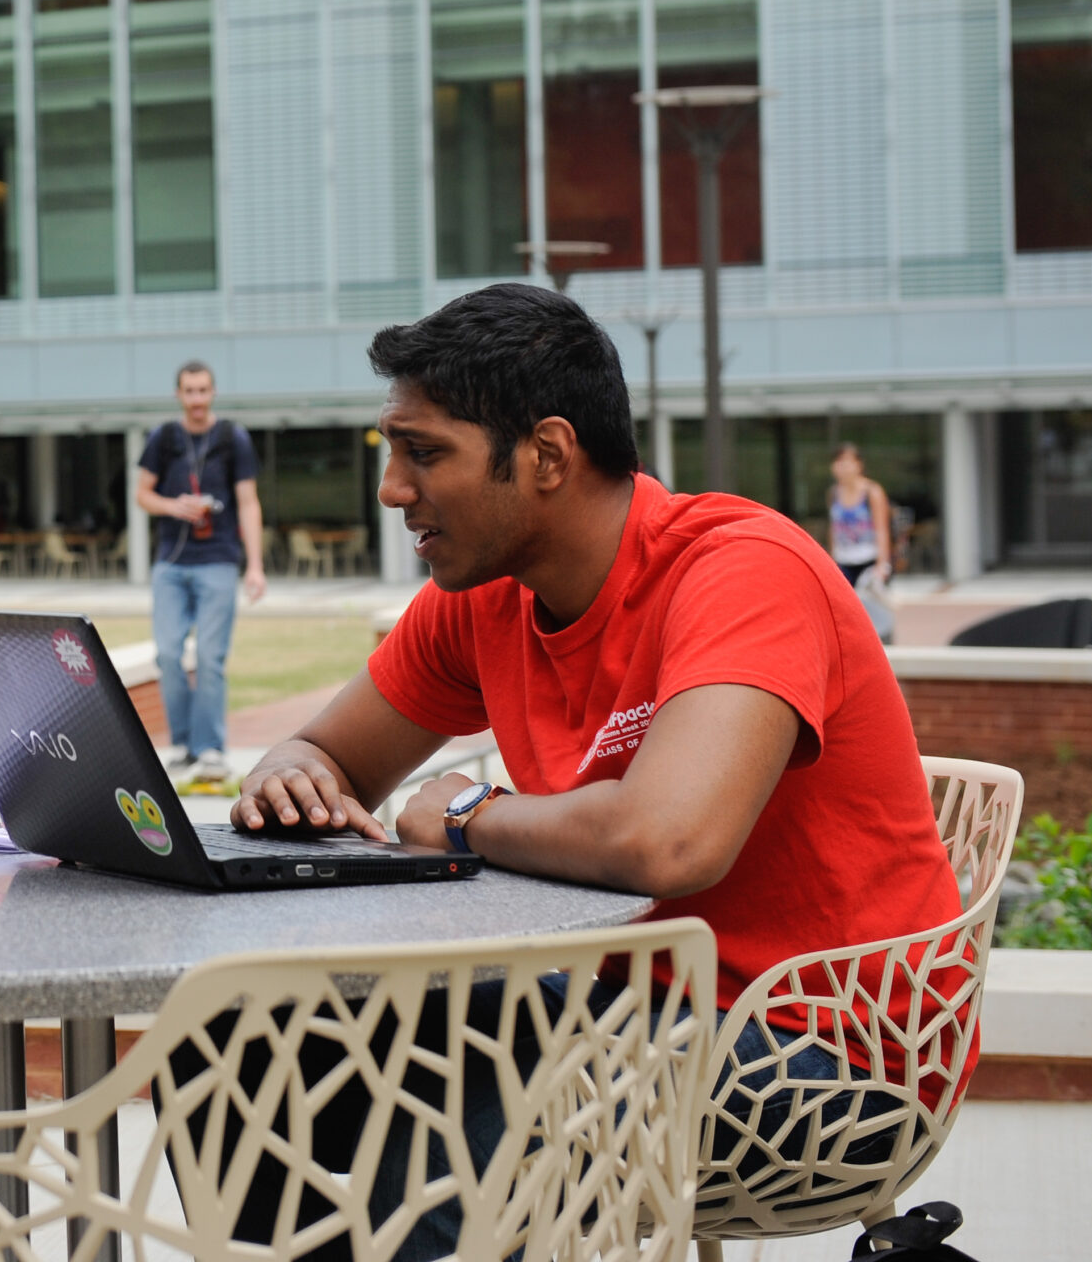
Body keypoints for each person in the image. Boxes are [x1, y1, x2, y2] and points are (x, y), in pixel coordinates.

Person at [227, 284, 961, 1257]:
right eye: (390, 453)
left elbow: (669, 839)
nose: (392, 489)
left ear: (546, 455)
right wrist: (291, 773)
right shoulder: (487, 596)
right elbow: (328, 753)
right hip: (618, 1004)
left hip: (827, 1052)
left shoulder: (738, 570)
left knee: (454, 1128)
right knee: (259, 1051)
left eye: (424, 452)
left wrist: (466, 812)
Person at [134, 361, 266, 784]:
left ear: (213, 392)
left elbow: (248, 502)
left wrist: (256, 566)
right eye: (189, 391)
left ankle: (210, 750)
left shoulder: (232, 437)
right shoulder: (164, 437)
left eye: (203, 390)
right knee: (169, 655)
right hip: (171, 564)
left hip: (219, 559)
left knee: (210, 658)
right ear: (178, 394)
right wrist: (175, 506)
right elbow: (141, 494)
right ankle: (185, 747)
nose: (196, 399)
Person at [828, 442, 894, 590]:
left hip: (868, 559)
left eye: (847, 461)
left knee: (869, 608)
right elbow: (834, 528)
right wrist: (832, 562)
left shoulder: (872, 492)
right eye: (838, 462)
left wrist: (882, 564)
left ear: (859, 465)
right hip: (843, 559)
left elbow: (882, 529)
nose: (843, 467)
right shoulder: (834, 493)